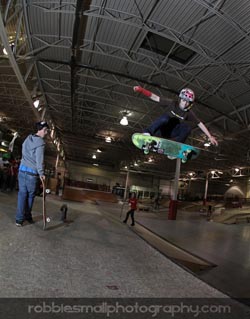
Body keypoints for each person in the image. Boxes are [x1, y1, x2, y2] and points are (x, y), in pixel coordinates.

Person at [133, 86, 218, 160]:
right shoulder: (172, 103)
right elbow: (155, 97)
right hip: (161, 130)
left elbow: (199, 123)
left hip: (173, 133)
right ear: (180, 98)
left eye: (188, 102)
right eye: (184, 100)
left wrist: (210, 136)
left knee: (187, 128)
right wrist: (141, 90)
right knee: (165, 117)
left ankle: (176, 147)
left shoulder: (188, 112)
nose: (185, 103)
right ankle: (147, 133)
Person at [15, 121, 49, 226]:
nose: (46, 133)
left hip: (21, 171)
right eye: (46, 131)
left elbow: (24, 151)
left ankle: (19, 220)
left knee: (22, 195)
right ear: (43, 130)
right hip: (31, 174)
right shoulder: (41, 143)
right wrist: (41, 173)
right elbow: (39, 160)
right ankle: (27, 216)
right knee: (30, 196)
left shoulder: (28, 139)